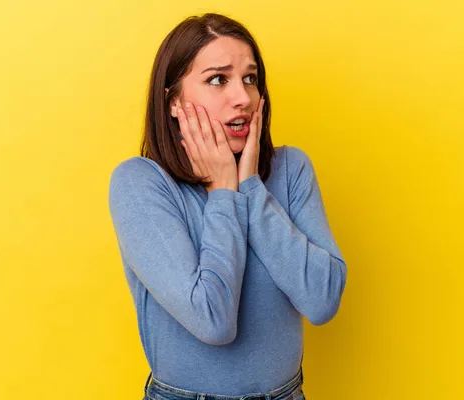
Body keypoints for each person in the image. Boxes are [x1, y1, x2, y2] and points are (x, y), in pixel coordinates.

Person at [108, 13, 347, 400]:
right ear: (173, 101)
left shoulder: (291, 169)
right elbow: (213, 320)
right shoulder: (140, 183)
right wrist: (224, 191)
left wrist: (250, 188)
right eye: (218, 79)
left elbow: (322, 301)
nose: (243, 98)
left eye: (250, 79)